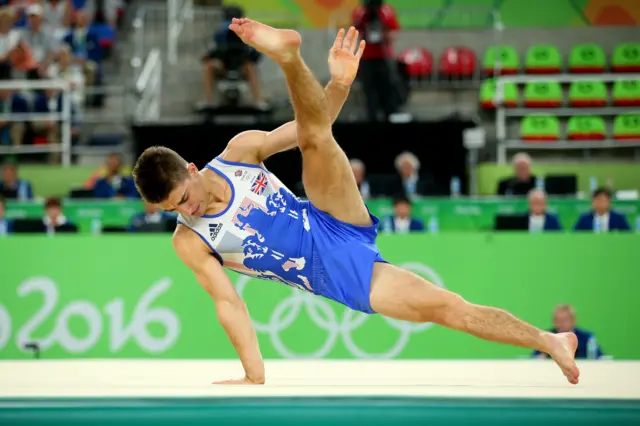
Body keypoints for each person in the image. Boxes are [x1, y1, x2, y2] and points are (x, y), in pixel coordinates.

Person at [132, 21, 579, 386]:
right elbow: (229, 303)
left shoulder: (238, 152)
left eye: (184, 199)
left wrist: (340, 86)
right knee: (450, 309)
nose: (186, 211)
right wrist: (254, 374)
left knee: (312, 137)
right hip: (334, 273)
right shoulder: (190, 241)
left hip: (330, 216)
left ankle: (289, 56)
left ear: (191, 169)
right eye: (174, 210)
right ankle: (551, 341)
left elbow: (314, 122)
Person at [532, 304, 604, 360]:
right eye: (558, 320)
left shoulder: (586, 338)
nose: (561, 324)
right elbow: (534, 359)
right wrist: (543, 354)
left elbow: (599, 359)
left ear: (573, 320)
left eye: (564, 320)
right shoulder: (547, 337)